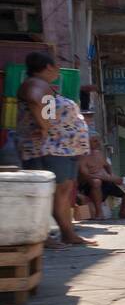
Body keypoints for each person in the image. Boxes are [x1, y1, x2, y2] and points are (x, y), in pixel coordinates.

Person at [16, 51, 96, 246]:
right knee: (50, 192)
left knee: (62, 191)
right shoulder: (36, 84)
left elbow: (48, 112)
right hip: (49, 149)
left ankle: (67, 233)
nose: (58, 71)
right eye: (57, 66)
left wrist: (47, 123)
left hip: (60, 149)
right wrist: (44, 127)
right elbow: (35, 101)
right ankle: (45, 235)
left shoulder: (45, 86)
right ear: (48, 67)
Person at [78, 135, 125, 219]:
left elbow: (107, 166)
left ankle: (123, 212)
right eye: (95, 141)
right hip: (89, 185)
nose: (98, 143)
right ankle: (99, 213)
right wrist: (104, 177)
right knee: (96, 182)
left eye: (99, 141)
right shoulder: (82, 157)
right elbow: (85, 175)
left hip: (105, 182)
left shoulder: (99, 154)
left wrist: (111, 175)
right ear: (87, 142)